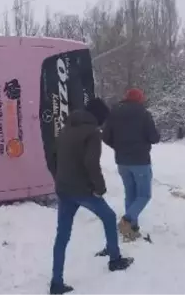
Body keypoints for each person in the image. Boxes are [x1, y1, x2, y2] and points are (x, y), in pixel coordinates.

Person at [49, 98, 133, 294]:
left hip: (64, 189)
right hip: (82, 190)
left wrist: (60, 178)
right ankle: (115, 259)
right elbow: (91, 163)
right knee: (109, 217)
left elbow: (53, 157)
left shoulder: (66, 128)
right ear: (99, 118)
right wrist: (100, 188)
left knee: (62, 236)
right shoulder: (92, 133)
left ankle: (56, 282)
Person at [102, 88, 160, 241]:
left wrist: (119, 147)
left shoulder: (114, 113)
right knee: (144, 195)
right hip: (140, 161)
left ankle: (131, 230)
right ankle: (127, 221)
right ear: (140, 99)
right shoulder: (144, 114)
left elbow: (106, 136)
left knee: (131, 194)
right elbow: (154, 137)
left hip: (122, 162)